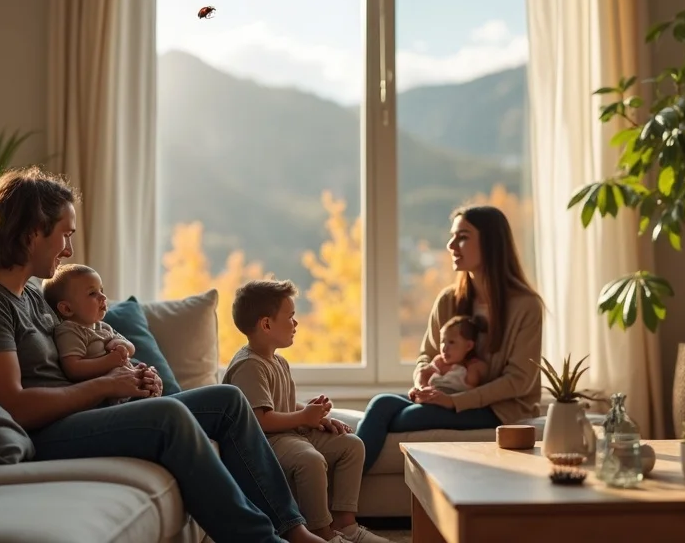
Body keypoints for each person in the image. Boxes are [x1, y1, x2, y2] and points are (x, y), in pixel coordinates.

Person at [0, 166, 328, 543]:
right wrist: (106, 385)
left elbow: (77, 354)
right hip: (43, 433)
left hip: (81, 412)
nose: (68, 250)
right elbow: (13, 407)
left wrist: (131, 378)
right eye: (65, 235)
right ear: (33, 232)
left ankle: (294, 530)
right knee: (169, 417)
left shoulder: (31, 294)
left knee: (228, 401)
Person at [356, 204, 544, 473]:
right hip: (445, 394)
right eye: (452, 236)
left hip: (499, 408)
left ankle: (340, 490)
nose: (451, 245)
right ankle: (340, 492)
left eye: (462, 237)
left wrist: (456, 402)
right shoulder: (448, 300)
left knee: (406, 418)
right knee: (380, 403)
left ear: (491, 243)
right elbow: (427, 355)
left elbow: (519, 380)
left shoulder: (526, 306)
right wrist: (423, 383)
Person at [223, 279, 389, 543]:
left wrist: (315, 415)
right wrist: (303, 418)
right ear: (266, 324)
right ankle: (321, 533)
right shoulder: (249, 366)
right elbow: (260, 420)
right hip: (264, 442)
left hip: (289, 434)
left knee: (351, 445)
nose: (296, 323)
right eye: (290, 317)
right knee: (310, 460)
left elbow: (282, 405)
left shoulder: (278, 361)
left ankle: (346, 525)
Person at [42, 264, 136, 393]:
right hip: (105, 396)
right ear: (67, 309)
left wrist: (120, 343)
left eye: (101, 291)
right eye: (92, 293)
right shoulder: (69, 330)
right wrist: (110, 360)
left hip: (127, 385)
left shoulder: (103, 327)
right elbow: (73, 369)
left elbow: (131, 348)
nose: (103, 297)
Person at [410, 315, 488, 397]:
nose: (444, 348)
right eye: (442, 342)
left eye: (451, 342)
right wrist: (420, 387)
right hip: (430, 396)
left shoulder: (472, 368)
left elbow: (484, 380)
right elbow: (422, 372)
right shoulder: (439, 361)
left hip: (451, 402)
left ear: (468, 346)